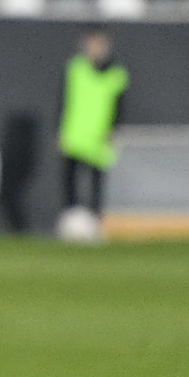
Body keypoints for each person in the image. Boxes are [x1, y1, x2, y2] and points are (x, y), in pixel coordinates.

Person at [58, 26, 128, 228]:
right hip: (75, 134)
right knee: (70, 180)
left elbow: (120, 107)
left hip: (99, 137)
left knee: (96, 183)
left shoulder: (116, 74)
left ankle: (95, 223)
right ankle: (70, 223)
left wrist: (113, 131)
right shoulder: (75, 68)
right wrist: (60, 130)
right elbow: (63, 100)